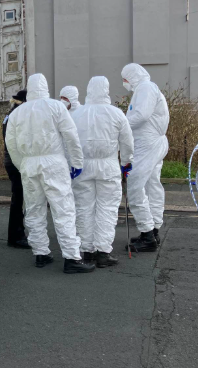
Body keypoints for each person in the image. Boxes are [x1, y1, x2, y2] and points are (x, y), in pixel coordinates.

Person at [6, 73, 94, 273]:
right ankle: (72, 257)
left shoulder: (17, 113)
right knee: (63, 209)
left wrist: (22, 165)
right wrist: (76, 162)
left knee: (34, 209)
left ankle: (41, 253)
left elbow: (11, 145)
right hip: (53, 162)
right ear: (45, 87)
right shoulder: (56, 107)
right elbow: (71, 136)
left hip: (29, 164)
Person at [71, 76, 134, 267]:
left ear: (88, 89)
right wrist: (126, 162)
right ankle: (103, 251)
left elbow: (69, 141)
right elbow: (127, 142)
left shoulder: (77, 114)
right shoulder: (116, 114)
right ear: (106, 90)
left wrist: (71, 163)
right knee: (107, 209)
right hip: (108, 166)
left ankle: (87, 250)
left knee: (84, 208)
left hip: (83, 166)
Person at [121, 63, 169, 252]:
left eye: (125, 79)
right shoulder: (147, 88)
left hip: (147, 145)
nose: (124, 83)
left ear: (132, 76)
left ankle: (147, 234)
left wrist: (120, 125)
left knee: (135, 186)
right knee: (152, 185)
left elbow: (140, 115)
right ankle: (153, 229)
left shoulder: (145, 88)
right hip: (152, 144)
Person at [2, 90, 30, 249]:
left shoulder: (10, 114)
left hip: (11, 160)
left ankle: (16, 234)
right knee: (19, 198)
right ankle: (16, 235)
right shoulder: (16, 116)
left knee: (19, 197)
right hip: (16, 161)